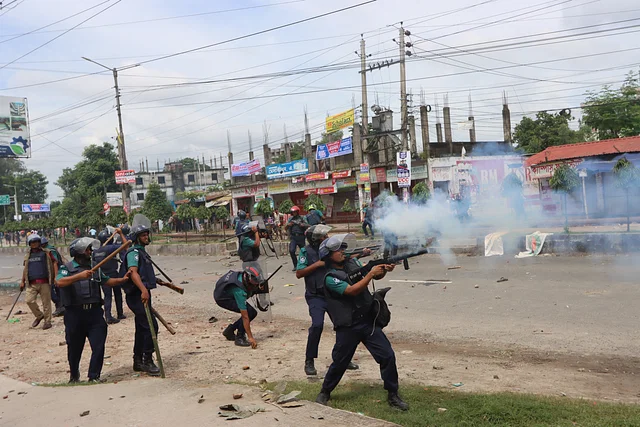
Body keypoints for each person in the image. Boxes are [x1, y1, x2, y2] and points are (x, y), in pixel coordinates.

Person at [315, 234, 408, 411]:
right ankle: (325, 392)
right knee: (340, 362)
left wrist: (383, 270)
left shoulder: (353, 263)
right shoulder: (330, 277)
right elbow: (351, 290)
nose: (342, 251)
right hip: (348, 326)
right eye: (337, 250)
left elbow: (372, 275)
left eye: (342, 248)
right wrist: (371, 274)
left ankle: (393, 395)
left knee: (387, 355)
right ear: (328, 256)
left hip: (367, 321)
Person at [55, 237, 131, 383]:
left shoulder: (95, 268)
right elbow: (59, 282)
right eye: (88, 250)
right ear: (79, 252)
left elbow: (107, 280)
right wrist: (79, 276)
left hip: (94, 314)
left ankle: (94, 376)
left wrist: (122, 280)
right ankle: (74, 376)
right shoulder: (67, 268)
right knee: (74, 348)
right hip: (75, 315)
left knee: (98, 345)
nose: (91, 252)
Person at [296, 225, 360, 376]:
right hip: (315, 295)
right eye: (323, 236)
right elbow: (299, 273)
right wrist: (317, 264)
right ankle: (309, 360)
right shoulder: (306, 251)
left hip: (331, 294)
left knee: (343, 325)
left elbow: (345, 258)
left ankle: (341, 357)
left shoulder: (332, 249)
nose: (327, 238)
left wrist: (360, 254)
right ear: (315, 240)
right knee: (317, 325)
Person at [122, 224, 170, 376]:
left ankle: (138, 361)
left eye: (147, 235)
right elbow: (133, 273)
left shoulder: (142, 253)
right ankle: (148, 360)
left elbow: (143, 274)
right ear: (137, 238)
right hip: (137, 296)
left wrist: (154, 280)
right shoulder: (134, 253)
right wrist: (143, 290)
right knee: (151, 327)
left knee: (141, 329)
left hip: (143, 294)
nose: (146, 237)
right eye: (143, 235)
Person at [214, 262, 265, 348]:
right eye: (255, 282)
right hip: (222, 298)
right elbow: (245, 316)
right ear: (249, 279)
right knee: (249, 313)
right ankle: (240, 337)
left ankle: (230, 330)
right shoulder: (239, 291)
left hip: (225, 291)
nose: (256, 284)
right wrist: (250, 337)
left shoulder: (243, 277)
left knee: (251, 312)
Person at [20, 234, 58, 330]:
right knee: (29, 300)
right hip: (31, 283)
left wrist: (56, 277)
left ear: (39, 242)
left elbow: (55, 263)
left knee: (46, 303)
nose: (34, 244)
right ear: (29, 244)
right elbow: (25, 268)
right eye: (32, 242)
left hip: (44, 282)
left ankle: (47, 322)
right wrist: (22, 281)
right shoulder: (28, 255)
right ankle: (39, 315)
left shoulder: (46, 253)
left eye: (36, 242)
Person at [93, 229, 126, 324]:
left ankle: (107, 315)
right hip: (113, 274)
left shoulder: (96, 251)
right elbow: (125, 245)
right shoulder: (111, 248)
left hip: (102, 276)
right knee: (117, 294)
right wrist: (121, 234)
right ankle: (120, 313)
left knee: (107, 296)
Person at [41, 236, 65, 317]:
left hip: (55, 273)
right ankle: (60, 307)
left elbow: (55, 263)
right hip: (54, 273)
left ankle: (60, 307)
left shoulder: (50, 250)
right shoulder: (48, 249)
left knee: (53, 292)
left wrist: (55, 276)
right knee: (57, 291)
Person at [285, 206, 308, 271]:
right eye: (293, 212)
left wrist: (302, 225)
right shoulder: (290, 219)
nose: (294, 213)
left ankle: (305, 264)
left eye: (295, 212)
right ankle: (295, 265)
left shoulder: (302, 218)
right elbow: (285, 227)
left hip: (301, 237)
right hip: (293, 237)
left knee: (304, 251)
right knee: (291, 250)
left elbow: (308, 225)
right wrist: (288, 225)